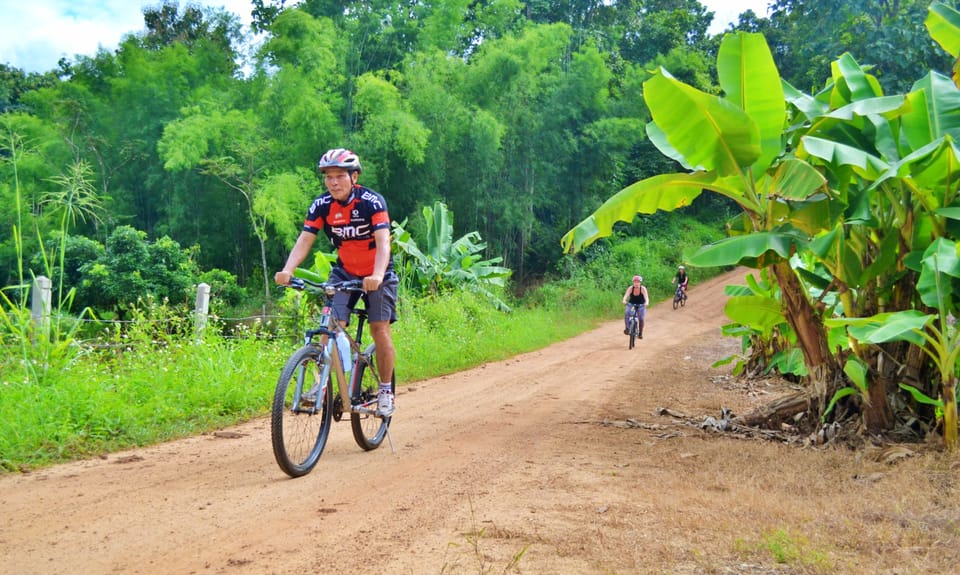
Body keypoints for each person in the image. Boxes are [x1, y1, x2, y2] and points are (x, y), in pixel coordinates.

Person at [274, 148, 398, 417]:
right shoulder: (322, 205)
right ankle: (322, 386)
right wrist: (287, 270)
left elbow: (383, 242)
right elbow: (305, 239)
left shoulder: (371, 202)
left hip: (379, 272)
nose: (333, 182)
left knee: (379, 328)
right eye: (328, 177)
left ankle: (386, 389)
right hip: (344, 273)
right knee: (330, 327)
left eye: (340, 176)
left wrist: (376, 275)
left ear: (354, 177)